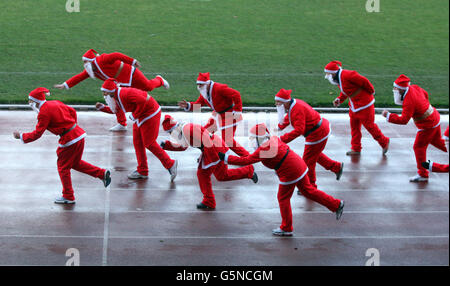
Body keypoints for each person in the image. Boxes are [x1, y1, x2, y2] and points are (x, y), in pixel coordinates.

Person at [219, 123, 344, 236]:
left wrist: (225, 158)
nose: (252, 140)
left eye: (253, 138)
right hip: (299, 165)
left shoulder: (264, 149)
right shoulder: (272, 139)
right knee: (308, 191)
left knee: (283, 198)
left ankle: (287, 227)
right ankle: (336, 204)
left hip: (290, 172)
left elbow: (245, 161)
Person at [13, 87, 111, 204]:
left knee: (63, 167)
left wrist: (21, 136)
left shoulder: (43, 113)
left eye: (31, 101)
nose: (30, 103)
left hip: (69, 139)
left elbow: (37, 134)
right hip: (78, 135)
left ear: (36, 101)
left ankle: (68, 196)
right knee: (75, 163)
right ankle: (101, 174)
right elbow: (72, 111)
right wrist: (72, 125)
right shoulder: (54, 102)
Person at [54, 49, 170, 131]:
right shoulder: (91, 71)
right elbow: (79, 77)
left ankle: (159, 80)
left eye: (85, 62)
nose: (84, 64)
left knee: (148, 87)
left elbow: (116, 55)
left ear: (90, 61)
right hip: (119, 84)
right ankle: (122, 123)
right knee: (115, 101)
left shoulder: (102, 59)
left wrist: (132, 61)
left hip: (130, 73)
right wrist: (65, 85)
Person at [160, 115, 258, 209]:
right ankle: (248, 171)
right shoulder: (183, 131)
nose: (170, 135)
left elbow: (206, 140)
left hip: (214, 149)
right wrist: (166, 145)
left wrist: (211, 158)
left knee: (203, 174)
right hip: (213, 148)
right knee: (221, 176)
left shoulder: (187, 129)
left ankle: (209, 201)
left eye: (170, 132)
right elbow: (183, 147)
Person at [96, 78, 177, 181]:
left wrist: (135, 115)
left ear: (110, 91)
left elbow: (143, 101)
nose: (104, 95)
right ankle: (142, 170)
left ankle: (170, 164)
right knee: (137, 142)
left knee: (149, 143)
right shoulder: (115, 96)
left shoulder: (123, 94)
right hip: (141, 115)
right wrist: (102, 108)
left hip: (150, 113)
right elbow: (116, 110)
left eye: (105, 92)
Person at [382, 74, 447, 182]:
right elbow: (425, 95)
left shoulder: (409, 101)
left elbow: (404, 120)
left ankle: (423, 174)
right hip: (434, 117)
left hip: (427, 125)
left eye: (396, 88)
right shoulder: (414, 87)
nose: (394, 90)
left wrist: (388, 115)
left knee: (418, 147)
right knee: (438, 142)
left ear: (401, 90)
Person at [274, 88, 344, 189]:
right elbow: (290, 117)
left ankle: (310, 186)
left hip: (317, 133)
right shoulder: (293, 104)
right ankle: (336, 167)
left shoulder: (296, 108)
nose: (276, 104)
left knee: (308, 161)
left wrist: (281, 139)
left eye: (278, 102)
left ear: (285, 102)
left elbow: (299, 130)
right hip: (318, 130)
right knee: (315, 154)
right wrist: (279, 127)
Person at [324, 60, 390, 155]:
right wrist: (339, 99)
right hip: (354, 105)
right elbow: (346, 90)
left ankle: (384, 142)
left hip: (365, 104)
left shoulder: (348, 75)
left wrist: (371, 91)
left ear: (333, 73)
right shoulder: (338, 78)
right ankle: (356, 148)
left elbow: (364, 81)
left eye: (328, 74)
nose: (327, 76)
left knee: (370, 126)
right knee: (354, 127)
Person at [177, 72, 249, 156]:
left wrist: (237, 110)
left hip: (229, 115)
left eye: (201, 84)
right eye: (198, 84)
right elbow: (199, 104)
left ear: (207, 84)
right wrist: (188, 105)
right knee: (204, 134)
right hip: (218, 114)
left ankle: (247, 157)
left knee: (228, 141)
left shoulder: (219, 88)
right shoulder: (204, 92)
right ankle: (209, 155)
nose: (199, 86)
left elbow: (236, 94)